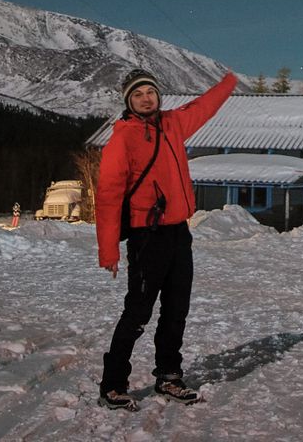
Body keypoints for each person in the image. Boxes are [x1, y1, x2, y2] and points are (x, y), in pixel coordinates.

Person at [95, 66, 237, 410]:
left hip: (178, 232)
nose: (146, 99)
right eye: (138, 94)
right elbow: (108, 195)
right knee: (138, 313)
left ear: (159, 95)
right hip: (147, 236)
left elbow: (205, 107)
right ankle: (113, 385)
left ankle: (169, 376)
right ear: (129, 101)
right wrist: (108, 248)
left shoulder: (173, 123)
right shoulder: (123, 137)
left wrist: (229, 82)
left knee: (176, 309)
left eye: (151, 92)